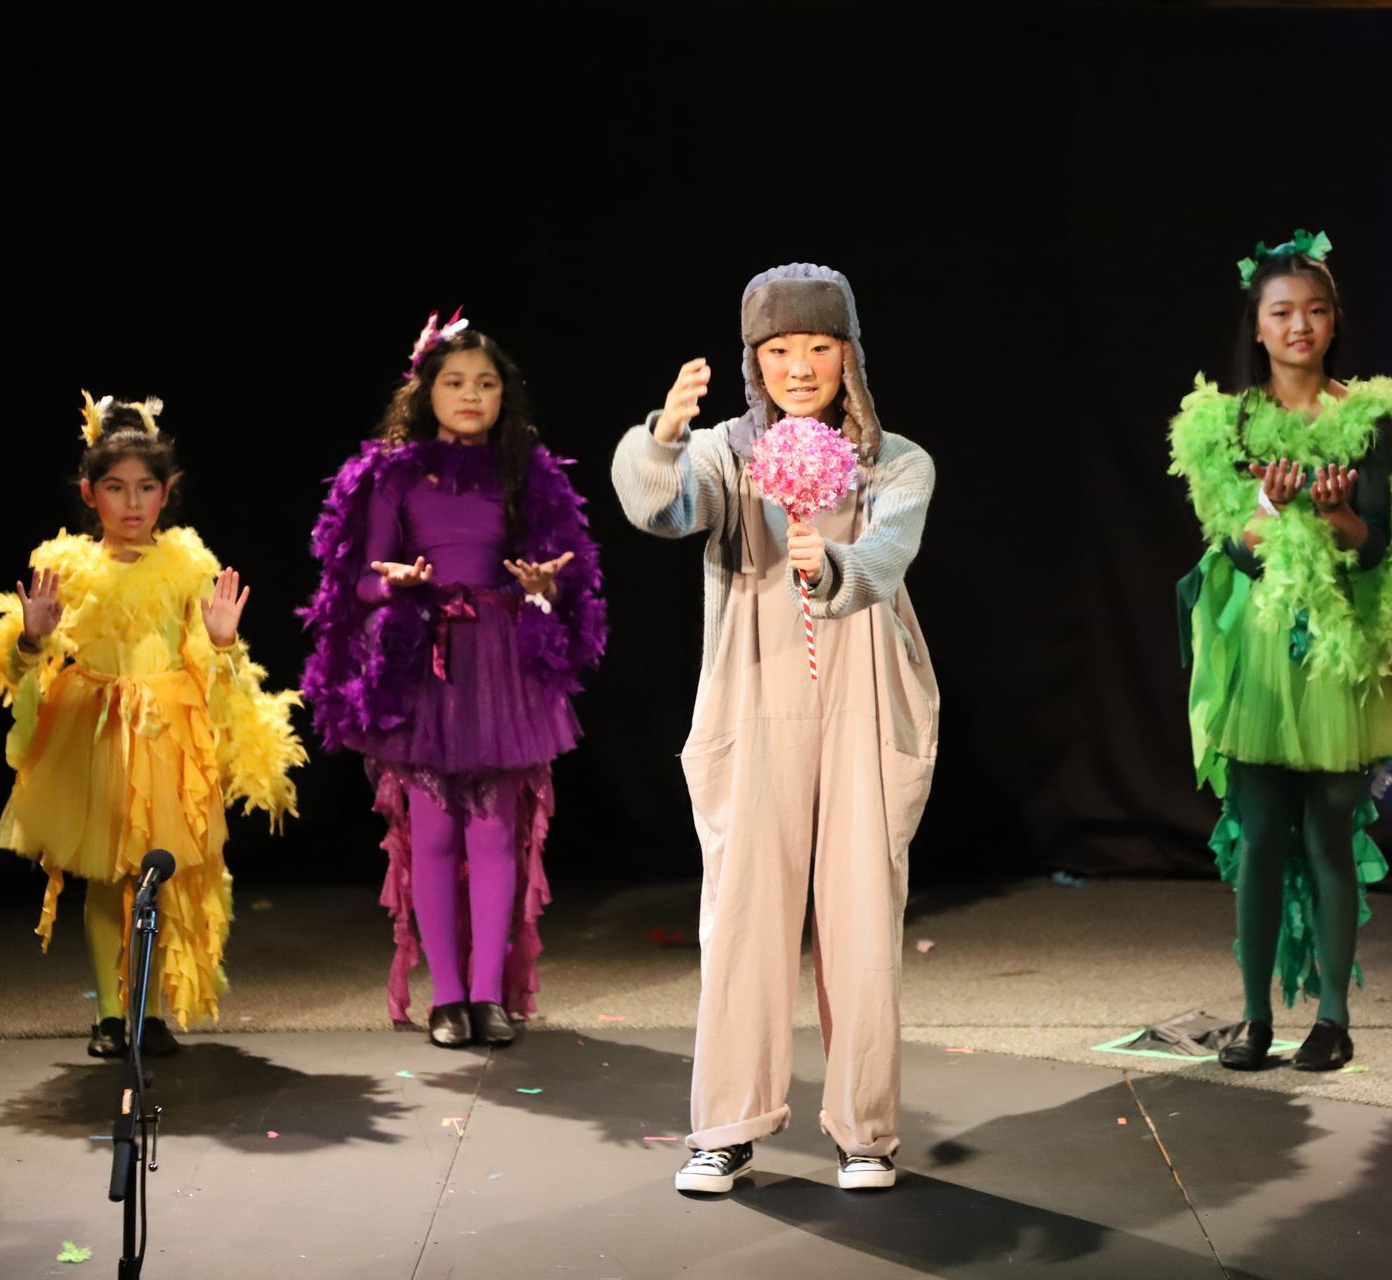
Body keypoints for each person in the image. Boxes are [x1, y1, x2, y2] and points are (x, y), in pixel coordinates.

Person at [612, 263, 938, 1193]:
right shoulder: (725, 452)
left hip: (863, 697)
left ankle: (864, 1131)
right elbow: (661, 508)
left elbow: (886, 553)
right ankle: (726, 1126)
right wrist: (664, 436)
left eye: (819, 347)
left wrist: (831, 563)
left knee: (862, 916)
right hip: (755, 694)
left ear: (849, 354)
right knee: (746, 914)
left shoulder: (897, 460)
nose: (801, 367)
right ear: (755, 360)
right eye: (779, 349)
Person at [0, 394, 304, 1055]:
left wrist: (221, 643)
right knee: (107, 878)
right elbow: (18, 671)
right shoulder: (68, 568)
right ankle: (113, 1016)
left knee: (154, 876)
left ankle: (148, 1010)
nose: (132, 503)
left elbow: (211, 672)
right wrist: (30, 640)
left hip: (166, 738)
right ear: (89, 493)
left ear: (169, 494)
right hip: (97, 733)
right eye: (116, 487)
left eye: (146, 488)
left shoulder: (189, 566)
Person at [1167, 230, 1392, 1072]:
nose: (1299, 326)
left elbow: (1375, 544)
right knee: (1259, 835)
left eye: (1315, 311)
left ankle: (1331, 1016)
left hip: (1337, 648)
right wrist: (1271, 505)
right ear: (1256, 325)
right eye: (1281, 312)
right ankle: (1253, 1019)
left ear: (1334, 322)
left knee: (1328, 831)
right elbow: (1237, 548)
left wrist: (1333, 515)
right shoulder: (1229, 421)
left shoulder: (1368, 417)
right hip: (1259, 646)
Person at [301, 313, 605, 1048]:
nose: (471, 395)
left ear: (506, 395)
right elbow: (359, 583)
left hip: (501, 658)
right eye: (456, 381)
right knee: (433, 831)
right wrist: (396, 584)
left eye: (487, 383)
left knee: (497, 831)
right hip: (423, 657)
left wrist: (540, 586)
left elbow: (562, 579)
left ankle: (487, 997)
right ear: (425, 390)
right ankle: (447, 1000)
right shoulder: (389, 474)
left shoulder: (525, 471)